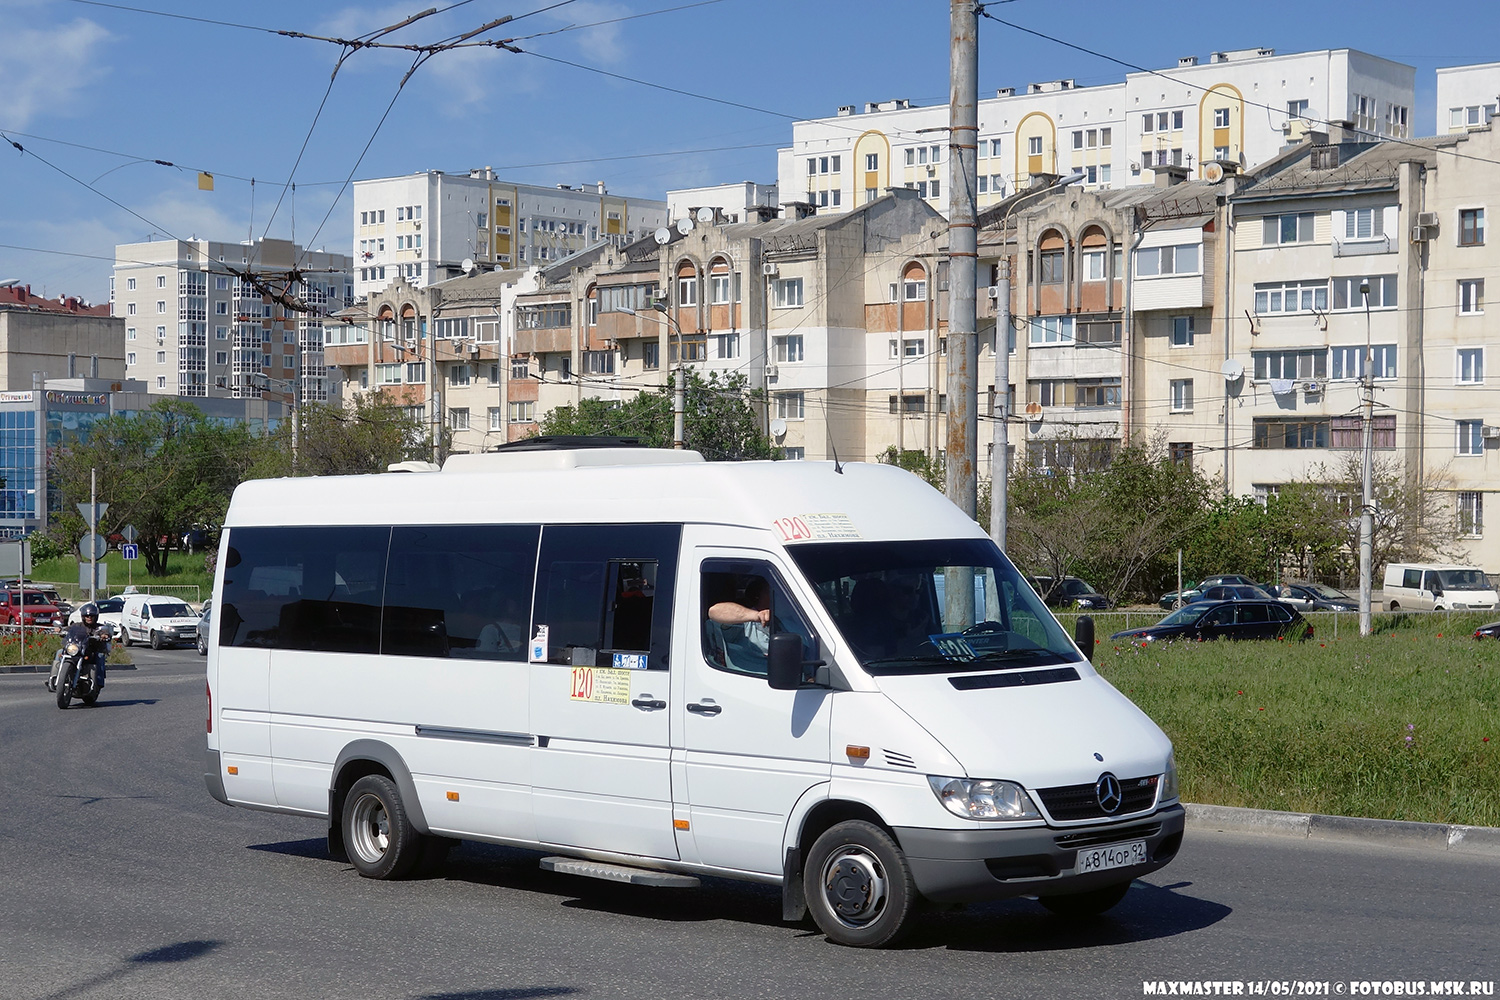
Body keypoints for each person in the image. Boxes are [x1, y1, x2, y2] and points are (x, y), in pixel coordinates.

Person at [46, 602, 111, 694]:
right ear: (83, 616)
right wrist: (60, 630)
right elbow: (67, 630)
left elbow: (106, 633)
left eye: (91, 616)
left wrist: (104, 635)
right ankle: (52, 679)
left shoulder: (98, 627)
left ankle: (98, 682)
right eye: (87, 616)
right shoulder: (76, 625)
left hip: (91, 651)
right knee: (60, 652)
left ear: (96, 616)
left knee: (100, 656)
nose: (89, 618)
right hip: (77, 649)